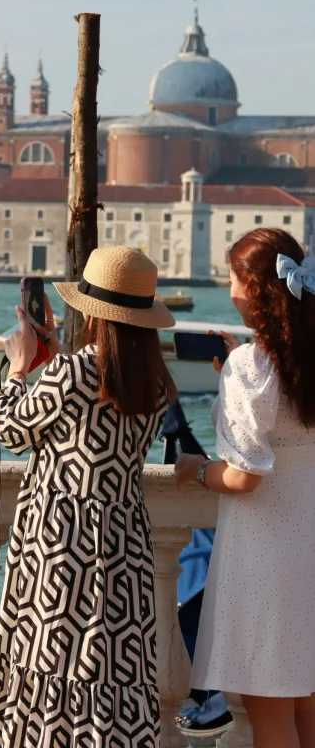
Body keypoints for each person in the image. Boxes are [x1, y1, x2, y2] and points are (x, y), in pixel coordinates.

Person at [0, 246, 176, 748]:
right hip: (123, 542)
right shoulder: (156, 380)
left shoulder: (75, 372)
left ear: (92, 312)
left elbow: (11, 429)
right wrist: (56, 359)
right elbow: (90, 418)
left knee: (50, 657)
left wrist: (19, 368)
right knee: (106, 666)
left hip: (61, 543)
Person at [175, 228, 315, 748]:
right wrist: (232, 377)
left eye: (232, 279)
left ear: (252, 290)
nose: (229, 289)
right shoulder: (283, 362)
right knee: (306, 711)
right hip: (310, 548)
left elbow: (242, 476)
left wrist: (195, 467)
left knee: (271, 717)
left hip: (268, 563)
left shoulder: (251, 367)